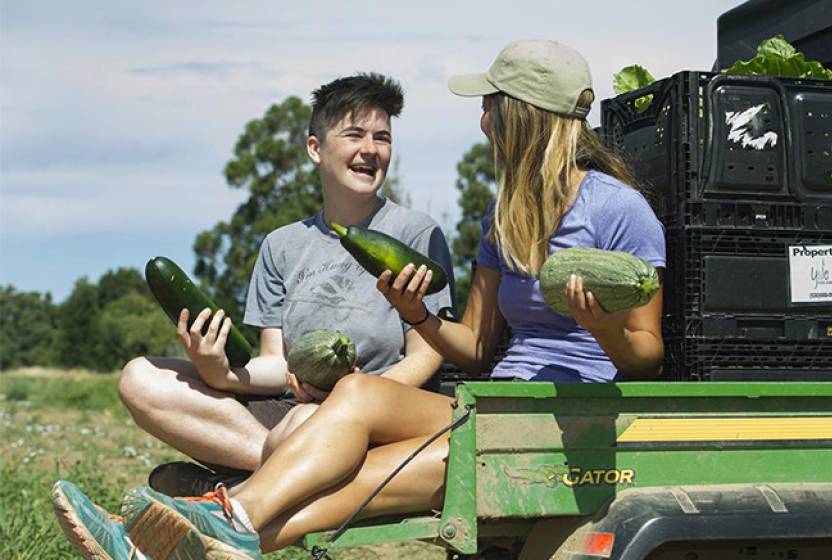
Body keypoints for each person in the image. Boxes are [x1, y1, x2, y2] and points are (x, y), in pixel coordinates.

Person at [55, 40, 665, 559]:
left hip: (557, 422)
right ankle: (202, 530)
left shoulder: (619, 211)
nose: (483, 121)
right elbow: (478, 349)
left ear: (522, 115)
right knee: (352, 397)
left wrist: (602, 327)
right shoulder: (503, 215)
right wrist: (418, 315)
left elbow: (646, 357)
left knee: (348, 483)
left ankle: (169, 536)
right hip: (493, 404)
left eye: (490, 107)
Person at [51, 73, 455, 559]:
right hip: (290, 413)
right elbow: (273, 362)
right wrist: (218, 369)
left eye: (382, 137)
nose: (371, 149)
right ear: (315, 148)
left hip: (372, 416)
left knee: (310, 419)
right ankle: (305, 465)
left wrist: (354, 401)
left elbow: (428, 353)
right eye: (355, 134)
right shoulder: (281, 246)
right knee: (140, 378)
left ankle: (186, 518)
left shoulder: (415, 232)